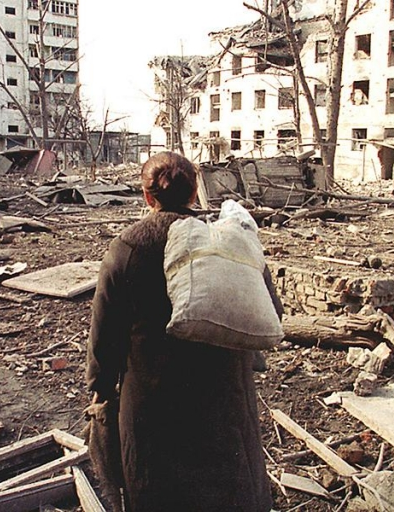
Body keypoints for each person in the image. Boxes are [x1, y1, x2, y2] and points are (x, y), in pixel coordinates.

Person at [85, 151, 279, 511]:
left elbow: (105, 332)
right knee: (227, 487)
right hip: (223, 393)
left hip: (153, 399)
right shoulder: (225, 240)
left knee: (157, 489)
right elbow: (270, 310)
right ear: (194, 194)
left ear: (147, 197)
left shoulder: (129, 247)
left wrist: (100, 386)